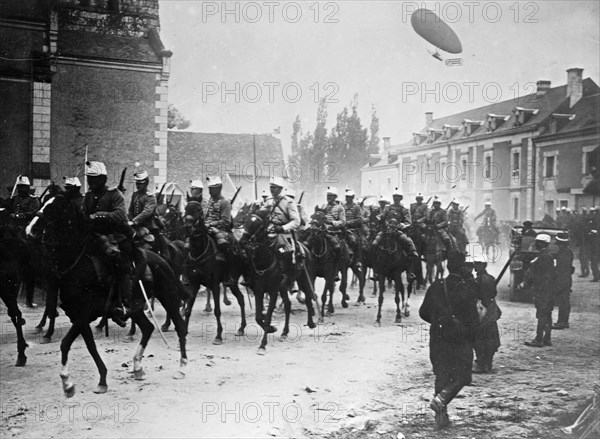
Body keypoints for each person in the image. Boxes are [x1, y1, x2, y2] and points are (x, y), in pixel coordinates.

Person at [419, 254, 478, 428]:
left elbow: (423, 312)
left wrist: (439, 322)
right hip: (459, 338)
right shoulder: (466, 289)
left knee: (441, 374)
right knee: (463, 374)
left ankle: (441, 417)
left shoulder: (436, 286)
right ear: (461, 269)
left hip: (437, 335)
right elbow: (473, 319)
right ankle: (442, 399)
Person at [82, 161, 138, 319]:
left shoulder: (114, 194)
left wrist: (99, 216)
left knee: (121, 264)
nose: (90, 182)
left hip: (113, 237)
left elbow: (120, 215)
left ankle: (125, 304)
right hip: (92, 237)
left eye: (94, 179)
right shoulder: (88, 196)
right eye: (89, 179)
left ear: (103, 179)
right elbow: (84, 215)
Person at [265, 176, 301, 289]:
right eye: (271, 187)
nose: (272, 190)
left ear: (280, 188)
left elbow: (296, 221)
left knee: (287, 253)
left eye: (274, 187)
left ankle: (291, 280)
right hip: (269, 233)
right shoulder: (268, 201)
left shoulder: (288, 202)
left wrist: (283, 228)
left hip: (284, 236)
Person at [523, 234, 555, 347]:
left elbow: (539, 274)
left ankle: (539, 339)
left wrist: (527, 282)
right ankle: (547, 339)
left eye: (538, 242)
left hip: (543, 290)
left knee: (542, 314)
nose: (535, 244)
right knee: (547, 314)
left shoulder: (544, 256)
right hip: (548, 289)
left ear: (542, 243)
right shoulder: (546, 255)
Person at [471, 255, 501, 373]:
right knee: (491, 338)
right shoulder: (491, 278)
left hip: (481, 310)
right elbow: (494, 293)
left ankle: (481, 364)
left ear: (482, 265)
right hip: (491, 310)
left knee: (479, 338)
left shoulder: (477, 280)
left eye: (477, 264)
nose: (475, 266)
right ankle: (487, 364)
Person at [128, 170, 164, 254]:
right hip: (136, 226)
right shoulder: (135, 195)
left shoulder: (150, 197)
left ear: (146, 183)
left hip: (149, 226)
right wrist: (130, 219)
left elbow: (147, 212)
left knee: (152, 247)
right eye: (137, 183)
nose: (138, 185)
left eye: (141, 183)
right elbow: (131, 209)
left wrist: (134, 221)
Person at [204, 176, 233, 263]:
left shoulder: (225, 202)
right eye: (209, 188)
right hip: (206, 228)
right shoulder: (209, 202)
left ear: (219, 188)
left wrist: (211, 224)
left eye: (212, 188)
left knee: (221, 242)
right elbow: (205, 216)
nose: (209, 191)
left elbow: (226, 221)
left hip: (220, 229)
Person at [552, 232, 574, 330]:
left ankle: (562, 322)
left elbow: (562, 268)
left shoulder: (563, 252)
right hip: (566, 278)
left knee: (563, 301)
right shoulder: (567, 251)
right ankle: (564, 321)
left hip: (562, 279)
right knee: (564, 300)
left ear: (561, 243)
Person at [320, 186, 346, 255]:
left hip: (333, 232)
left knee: (337, 248)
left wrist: (331, 222)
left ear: (335, 197)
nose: (328, 197)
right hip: (322, 231)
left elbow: (343, 222)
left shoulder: (340, 208)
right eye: (328, 195)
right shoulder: (323, 206)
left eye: (331, 195)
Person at [343, 188, 366, 261]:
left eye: (349, 197)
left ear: (352, 197)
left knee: (354, 241)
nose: (347, 198)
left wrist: (349, 222)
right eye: (346, 197)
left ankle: (357, 261)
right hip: (342, 228)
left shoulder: (356, 207)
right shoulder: (342, 206)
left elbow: (359, 219)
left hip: (352, 229)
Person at [585, 207, 599, 282]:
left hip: (595, 245)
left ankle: (596, 276)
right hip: (595, 244)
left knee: (594, 261)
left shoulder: (593, 219)